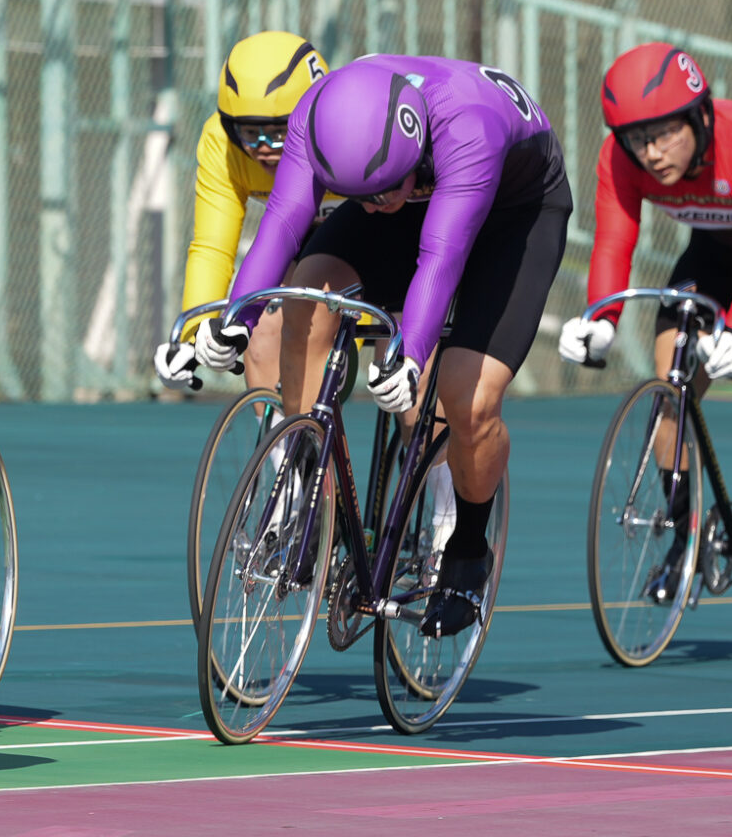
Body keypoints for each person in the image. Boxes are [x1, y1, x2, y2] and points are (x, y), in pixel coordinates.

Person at [196, 56, 571, 637]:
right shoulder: (318, 116)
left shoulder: (467, 126)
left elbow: (441, 258)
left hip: (512, 213)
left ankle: (468, 547)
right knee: (310, 286)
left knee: (466, 395)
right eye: (356, 195)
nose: (370, 206)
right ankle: (306, 477)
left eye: (378, 192)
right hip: (412, 184)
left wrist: (413, 353)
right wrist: (236, 317)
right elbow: (285, 218)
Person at [558, 42, 732, 603]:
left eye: (665, 132)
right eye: (637, 140)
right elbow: (614, 243)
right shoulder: (620, 159)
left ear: (699, 115)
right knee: (674, 387)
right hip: (714, 252)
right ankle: (681, 539)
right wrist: (603, 318)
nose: (652, 153)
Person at [154, 31, 330, 389]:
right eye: (250, 132)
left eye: (279, 132)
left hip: (377, 237)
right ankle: (282, 444)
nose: (264, 148)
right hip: (300, 239)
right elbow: (212, 247)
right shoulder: (222, 145)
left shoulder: (345, 134)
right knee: (261, 340)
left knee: (414, 394)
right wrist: (193, 333)